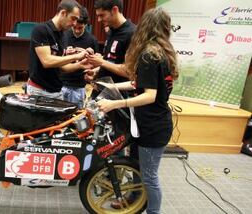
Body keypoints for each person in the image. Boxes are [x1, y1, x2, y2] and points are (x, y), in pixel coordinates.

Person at [97, 8, 179, 214]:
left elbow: (150, 95)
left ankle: (153, 212)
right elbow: (139, 83)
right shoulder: (162, 51)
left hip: (153, 127)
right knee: (137, 167)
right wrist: (114, 87)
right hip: (147, 124)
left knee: (149, 176)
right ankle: (135, 200)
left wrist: (115, 104)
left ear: (145, 27)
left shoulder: (150, 55)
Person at [27, 0, 91, 99]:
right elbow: (47, 61)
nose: (75, 23)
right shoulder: (41, 30)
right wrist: (77, 56)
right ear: (63, 13)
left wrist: (80, 65)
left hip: (57, 91)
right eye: (73, 18)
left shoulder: (63, 35)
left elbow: (62, 66)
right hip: (39, 91)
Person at [86, 0, 136, 86]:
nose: (98, 20)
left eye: (102, 15)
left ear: (115, 10)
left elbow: (129, 71)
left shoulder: (133, 33)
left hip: (119, 95)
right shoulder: (111, 31)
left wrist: (101, 62)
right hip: (102, 90)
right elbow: (112, 61)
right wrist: (96, 72)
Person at [60, 6, 99, 108]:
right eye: (75, 27)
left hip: (79, 86)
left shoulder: (92, 40)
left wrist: (90, 56)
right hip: (61, 84)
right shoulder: (63, 35)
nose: (77, 31)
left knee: (76, 116)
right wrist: (65, 53)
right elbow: (55, 58)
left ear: (86, 25)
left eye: (80, 28)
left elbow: (97, 64)